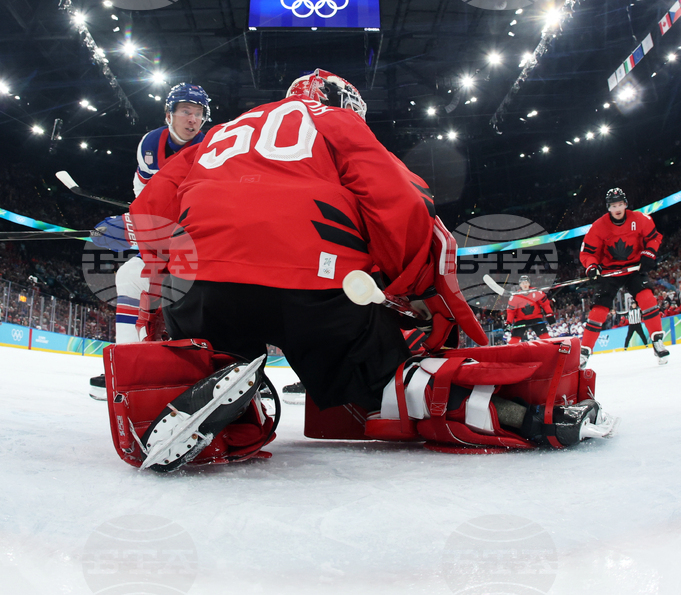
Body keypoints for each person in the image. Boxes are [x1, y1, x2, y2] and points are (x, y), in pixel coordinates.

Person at [106, 70, 614, 471]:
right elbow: (402, 203)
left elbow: (152, 209)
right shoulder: (335, 122)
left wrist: (171, 289)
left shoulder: (221, 131)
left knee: (211, 353)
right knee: (389, 383)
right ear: (334, 98)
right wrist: (407, 286)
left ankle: (194, 387)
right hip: (310, 281)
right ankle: (531, 417)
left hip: (202, 282)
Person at [87, 83, 211, 400]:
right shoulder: (150, 144)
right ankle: (129, 361)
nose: (193, 119)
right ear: (168, 114)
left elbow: (199, 209)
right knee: (129, 276)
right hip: (168, 235)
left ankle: (211, 365)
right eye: (186, 111)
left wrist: (137, 226)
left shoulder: (211, 148)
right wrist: (137, 222)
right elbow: (146, 195)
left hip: (199, 244)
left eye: (198, 113)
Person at [578, 188, 668, 366]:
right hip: (610, 272)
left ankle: (657, 341)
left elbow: (653, 238)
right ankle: (584, 352)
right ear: (608, 208)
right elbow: (588, 253)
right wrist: (591, 267)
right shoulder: (598, 226)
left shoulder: (640, 219)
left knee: (647, 298)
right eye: (613, 205)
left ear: (626, 204)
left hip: (634, 269)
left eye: (620, 204)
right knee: (599, 309)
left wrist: (649, 253)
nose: (617, 208)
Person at [505, 275, 555, 343]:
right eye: (523, 283)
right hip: (521, 320)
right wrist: (509, 323)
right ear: (520, 285)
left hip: (536, 318)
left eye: (526, 282)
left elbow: (545, 304)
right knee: (515, 338)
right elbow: (511, 311)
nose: (524, 285)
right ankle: (510, 352)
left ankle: (551, 348)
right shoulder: (515, 296)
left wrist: (550, 315)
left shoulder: (537, 292)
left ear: (529, 283)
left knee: (545, 336)